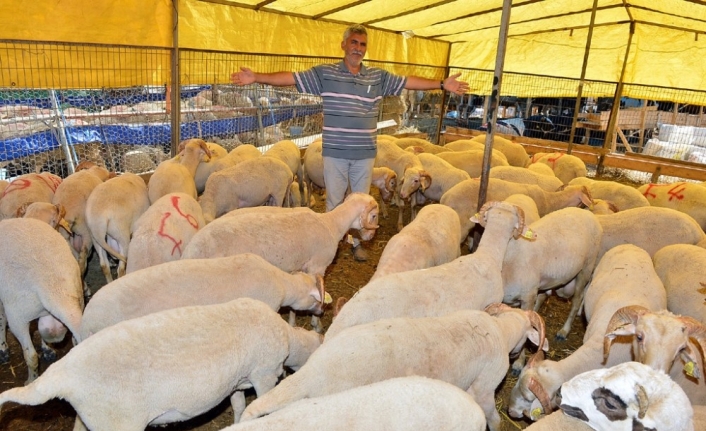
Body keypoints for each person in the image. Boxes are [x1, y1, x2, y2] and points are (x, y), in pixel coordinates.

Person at [231, 24, 469, 261]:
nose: (358, 48)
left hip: (364, 153)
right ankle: (330, 246)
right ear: (344, 45)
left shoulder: (377, 77)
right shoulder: (326, 74)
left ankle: (355, 242)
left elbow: (407, 82)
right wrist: (257, 77)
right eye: (354, 42)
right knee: (334, 201)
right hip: (335, 151)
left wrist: (441, 84)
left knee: (361, 199)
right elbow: (292, 77)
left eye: (362, 44)